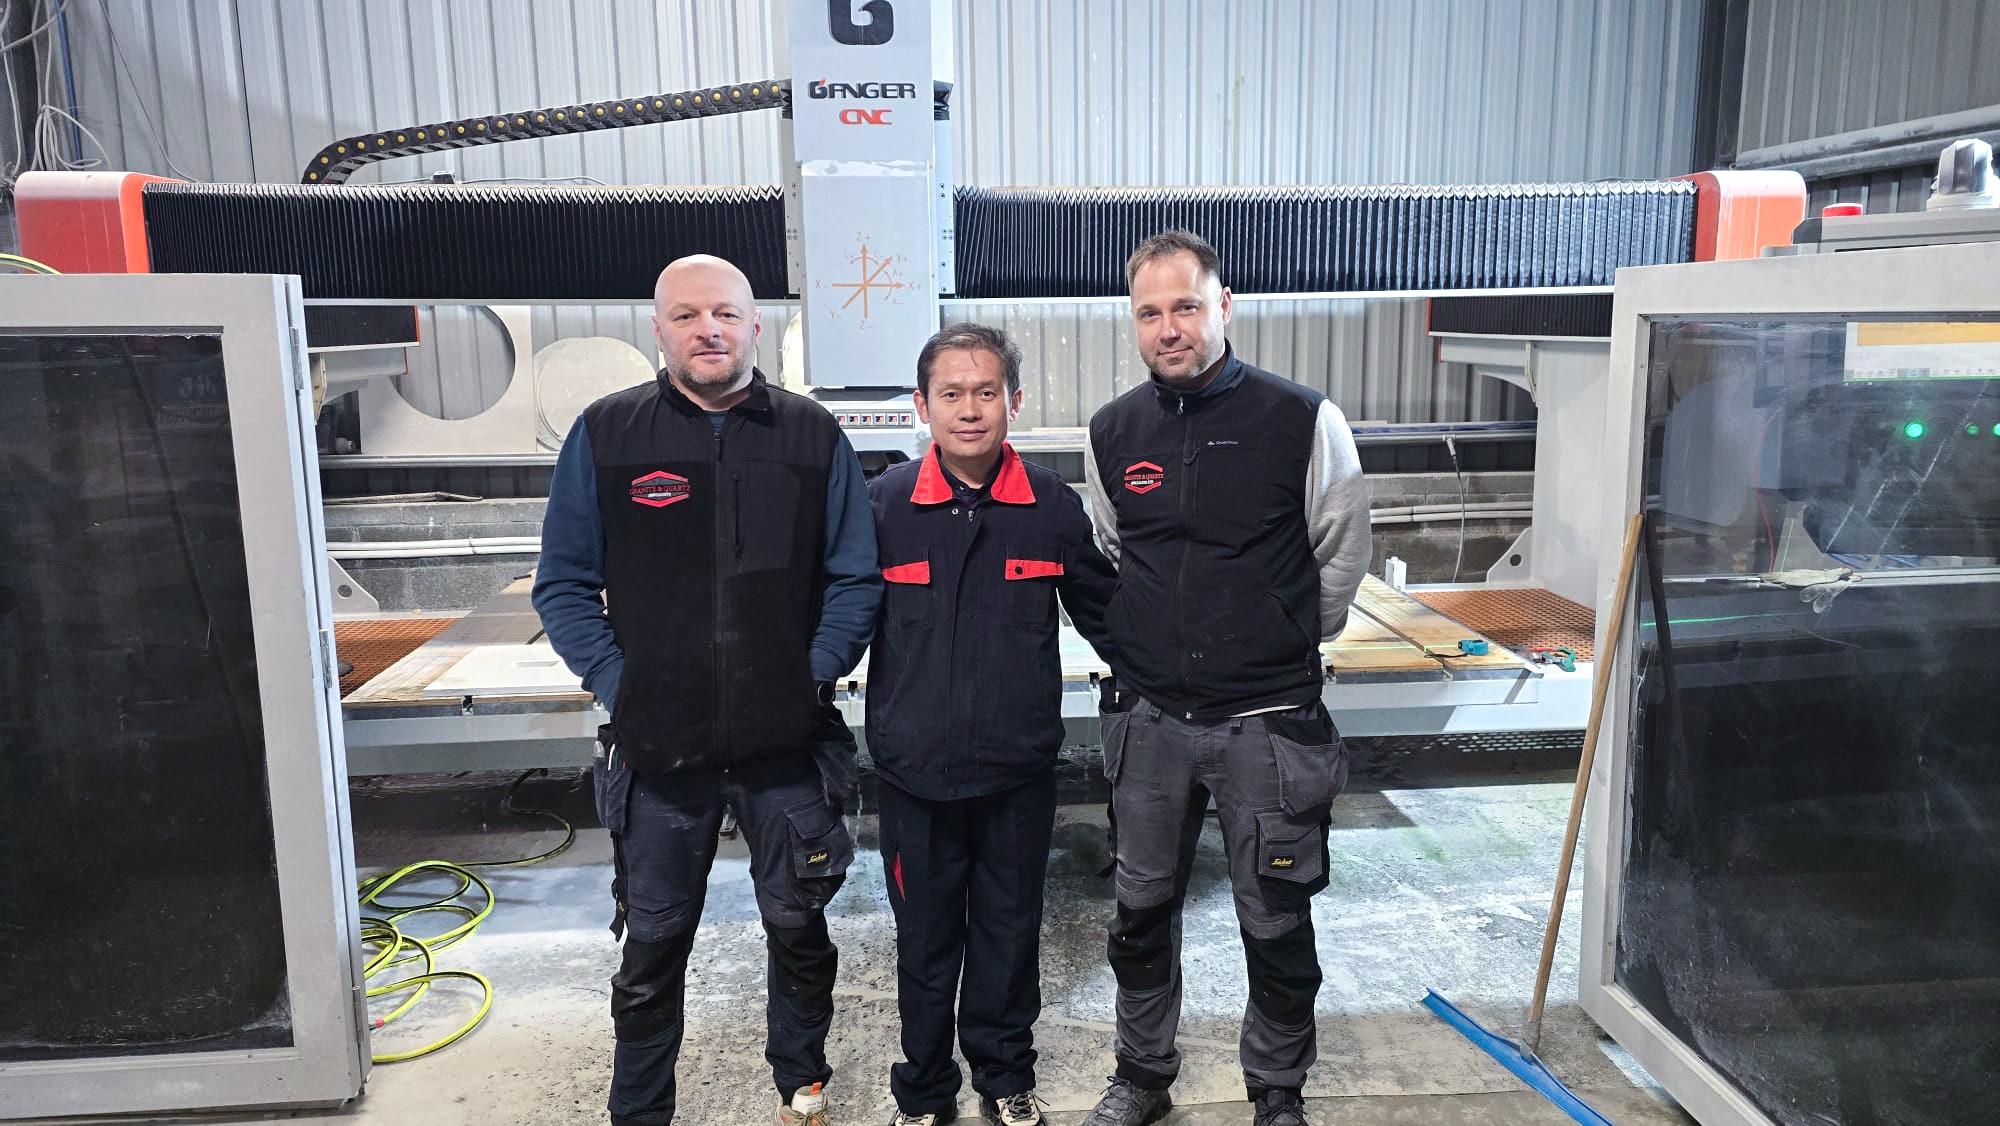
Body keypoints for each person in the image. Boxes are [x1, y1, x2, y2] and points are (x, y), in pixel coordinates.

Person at [532, 254, 881, 1126]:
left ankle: (801, 1081)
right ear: (659, 330)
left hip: (786, 744)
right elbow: (563, 585)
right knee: (650, 947)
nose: (708, 330)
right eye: (686, 316)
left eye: (724, 313)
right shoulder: (607, 434)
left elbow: (855, 578)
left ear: (757, 324)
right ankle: (641, 1109)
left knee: (799, 930)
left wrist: (810, 674)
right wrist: (623, 683)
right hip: (658, 750)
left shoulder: (810, 437)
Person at [1077, 231, 1372, 1126]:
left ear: (1225, 306)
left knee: (1275, 918)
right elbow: (1112, 550)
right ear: (1135, 321)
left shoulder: (1302, 419)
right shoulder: (1112, 430)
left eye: (1186, 306)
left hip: (1267, 724)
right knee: (1140, 911)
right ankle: (1141, 1077)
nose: (1170, 328)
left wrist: (1276, 637)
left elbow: (1340, 550)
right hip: (1153, 721)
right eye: (1151, 313)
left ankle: (1277, 1092)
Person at [867, 324, 1118, 1126]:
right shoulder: (883, 509)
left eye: (985, 393)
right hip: (916, 778)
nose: (969, 411)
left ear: (1014, 400)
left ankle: (1006, 1076)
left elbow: (1109, 615)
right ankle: (926, 1090)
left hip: (1016, 776)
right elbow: (831, 620)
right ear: (922, 405)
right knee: (926, 945)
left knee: (1010, 939)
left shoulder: (1048, 507)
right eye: (951, 394)